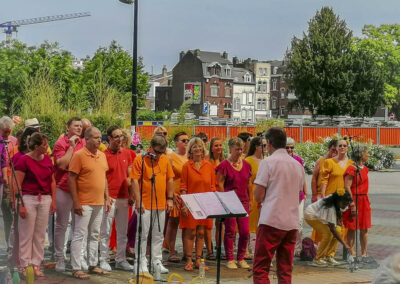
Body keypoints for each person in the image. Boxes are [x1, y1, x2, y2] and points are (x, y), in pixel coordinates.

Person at [252, 127, 305, 284]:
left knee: (261, 268)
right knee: (285, 269)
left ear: (268, 143)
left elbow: (258, 196)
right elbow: (298, 193)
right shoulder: (297, 165)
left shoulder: (268, 162)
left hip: (271, 220)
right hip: (291, 222)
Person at [68, 127, 111, 280]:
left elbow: (104, 177)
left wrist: (107, 197)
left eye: (100, 137)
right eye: (95, 137)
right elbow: (71, 178)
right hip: (84, 202)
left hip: (98, 201)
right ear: (87, 139)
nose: (100, 140)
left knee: (94, 234)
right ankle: (76, 267)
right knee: (79, 234)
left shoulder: (102, 155)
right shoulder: (79, 155)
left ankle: (93, 264)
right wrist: (76, 201)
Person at [130, 134, 174, 274]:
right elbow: (134, 181)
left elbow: (170, 179)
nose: (160, 155)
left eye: (163, 152)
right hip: (144, 204)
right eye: (158, 152)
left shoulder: (165, 159)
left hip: (160, 203)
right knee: (142, 234)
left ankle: (156, 261)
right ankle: (140, 261)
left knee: (158, 234)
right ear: (150, 148)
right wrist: (138, 201)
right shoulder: (140, 159)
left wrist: (170, 198)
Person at [14, 132, 56, 278]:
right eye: (45, 144)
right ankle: (24, 264)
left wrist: (53, 200)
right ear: (37, 147)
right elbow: (17, 183)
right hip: (28, 198)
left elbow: (52, 181)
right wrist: (20, 204)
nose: (47, 147)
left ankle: (36, 263)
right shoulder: (24, 160)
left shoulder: (47, 160)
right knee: (27, 233)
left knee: (39, 235)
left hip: (44, 198)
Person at [99, 126, 134, 272]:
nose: (120, 139)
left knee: (122, 231)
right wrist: (106, 197)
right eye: (117, 136)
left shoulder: (127, 153)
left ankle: (120, 259)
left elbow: (130, 176)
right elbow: (102, 178)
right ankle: (103, 259)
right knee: (105, 231)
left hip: (124, 198)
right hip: (110, 198)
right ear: (110, 139)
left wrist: (131, 195)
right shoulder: (103, 155)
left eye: (121, 136)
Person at [53, 117, 85, 272]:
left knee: (79, 227)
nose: (79, 128)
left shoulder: (85, 143)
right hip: (64, 188)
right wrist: (71, 147)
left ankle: (77, 259)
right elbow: (62, 165)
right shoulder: (60, 144)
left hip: (81, 189)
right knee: (62, 225)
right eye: (76, 126)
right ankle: (59, 258)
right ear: (68, 127)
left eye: (80, 126)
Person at [180, 137, 215, 271]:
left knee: (201, 232)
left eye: (199, 146)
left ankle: (199, 260)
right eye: (194, 146)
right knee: (191, 232)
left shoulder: (209, 166)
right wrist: (184, 204)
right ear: (190, 150)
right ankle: (189, 259)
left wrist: (212, 204)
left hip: (205, 203)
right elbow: (183, 187)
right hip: (190, 203)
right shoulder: (186, 166)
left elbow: (212, 187)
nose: (197, 149)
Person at [216, 137, 252, 269]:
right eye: (236, 149)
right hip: (229, 201)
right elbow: (219, 183)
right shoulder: (224, 166)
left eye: (241, 149)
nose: (239, 151)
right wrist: (223, 200)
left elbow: (249, 184)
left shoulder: (246, 165)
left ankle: (241, 257)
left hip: (243, 201)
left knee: (245, 231)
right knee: (230, 231)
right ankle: (230, 258)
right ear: (230, 149)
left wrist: (251, 200)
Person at [304, 189, 353, 266]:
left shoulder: (335, 199)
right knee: (328, 234)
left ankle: (329, 256)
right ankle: (318, 258)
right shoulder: (330, 207)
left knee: (339, 230)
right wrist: (345, 244)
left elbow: (338, 217)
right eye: (344, 204)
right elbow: (332, 229)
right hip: (311, 216)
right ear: (339, 201)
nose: (345, 206)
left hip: (318, 216)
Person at [343, 144, 371, 258]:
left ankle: (364, 253)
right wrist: (352, 204)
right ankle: (352, 253)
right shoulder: (351, 169)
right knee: (352, 228)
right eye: (366, 153)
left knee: (364, 228)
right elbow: (347, 187)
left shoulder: (365, 169)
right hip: (354, 199)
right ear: (360, 155)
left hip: (364, 200)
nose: (368, 155)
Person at [165, 132, 188, 263]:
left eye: (187, 140)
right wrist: (171, 193)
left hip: (189, 194)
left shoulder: (191, 157)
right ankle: (171, 249)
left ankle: (187, 251)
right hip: (176, 193)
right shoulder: (171, 157)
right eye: (183, 140)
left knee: (188, 224)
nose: (186, 142)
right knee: (173, 223)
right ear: (176, 143)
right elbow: (169, 177)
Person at [285, 137, 307, 256]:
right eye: (287, 147)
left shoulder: (298, 160)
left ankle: (297, 248)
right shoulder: (281, 160)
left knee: (299, 222)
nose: (289, 149)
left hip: (298, 196)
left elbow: (302, 177)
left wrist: (305, 191)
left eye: (291, 147)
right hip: (286, 196)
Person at [245, 137, 266, 255]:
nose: (265, 148)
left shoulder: (266, 160)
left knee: (262, 223)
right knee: (250, 223)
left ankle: (259, 248)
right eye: (263, 145)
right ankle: (247, 248)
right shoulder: (248, 160)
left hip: (265, 195)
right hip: (252, 193)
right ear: (256, 147)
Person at [0, 116, 17, 251]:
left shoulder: (10, 142)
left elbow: (7, 161)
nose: (7, 134)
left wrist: (6, 181)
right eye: (5, 131)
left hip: (6, 181)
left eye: (9, 132)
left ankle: (6, 245)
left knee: (6, 214)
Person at [207, 137, 224, 260]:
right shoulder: (208, 162)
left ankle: (219, 248)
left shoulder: (224, 161)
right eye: (216, 145)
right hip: (210, 193)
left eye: (220, 145)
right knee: (208, 224)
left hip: (221, 193)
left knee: (220, 223)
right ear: (212, 148)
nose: (218, 147)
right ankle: (209, 249)